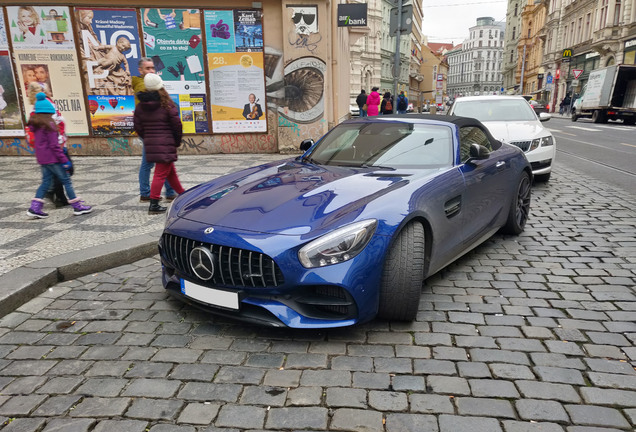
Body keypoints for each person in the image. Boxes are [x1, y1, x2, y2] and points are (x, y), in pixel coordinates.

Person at [26, 92, 92, 219]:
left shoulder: (35, 125)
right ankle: (77, 207)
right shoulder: (49, 125)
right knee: (66, 181)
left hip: (42, 159)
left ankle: (35, 208)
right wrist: (64, 160)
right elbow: (54, 146)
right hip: (54, 159)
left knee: (45, 182)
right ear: (48, 112)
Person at [134, 73, 186, 215]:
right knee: (160, 173)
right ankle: (154, 203)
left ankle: (183, 195)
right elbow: (177, 125)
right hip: (166, 142)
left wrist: (148, 138)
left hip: (151, 143)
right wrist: (176, 141)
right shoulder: (166, 104)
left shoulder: (140, 106)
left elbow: (138, 126)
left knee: (170, 172)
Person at [133, 57, 176, 202]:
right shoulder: (143, 87)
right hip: (153, 133)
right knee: (151, 163)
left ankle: (168, 192)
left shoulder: (152, 85)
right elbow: (144, 115)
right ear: (140, 70)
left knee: (162, 163)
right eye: (147, 68)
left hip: (155, 133)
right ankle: (148, 194)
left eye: (152, 68)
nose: (151, 71)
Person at [27, 81, 69, 208]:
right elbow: (55, 126)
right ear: (44, 91)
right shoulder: (47, 105)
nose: (51, 91)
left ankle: (51, 197)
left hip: (43, 151)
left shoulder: (36, 107)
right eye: (49, 89)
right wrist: (61, 143)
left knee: (48, 176)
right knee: (64, 174)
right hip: (54, 146)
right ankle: (63, 198)